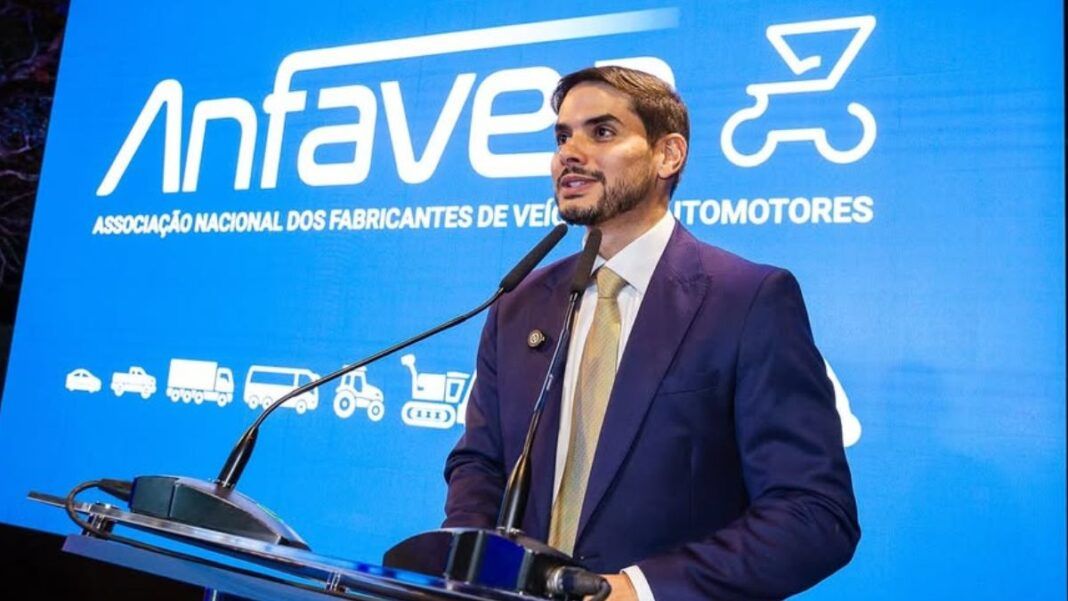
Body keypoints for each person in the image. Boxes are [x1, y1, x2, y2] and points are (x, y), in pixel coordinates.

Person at [443, 66, 859, 601]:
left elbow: (813, 513)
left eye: (602, 132)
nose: (570, 153)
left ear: (668, 155)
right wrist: (471, 568)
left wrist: (636, 590)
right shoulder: (519, 303)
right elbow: (479, 464)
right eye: (562, 136)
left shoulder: (748, 300)